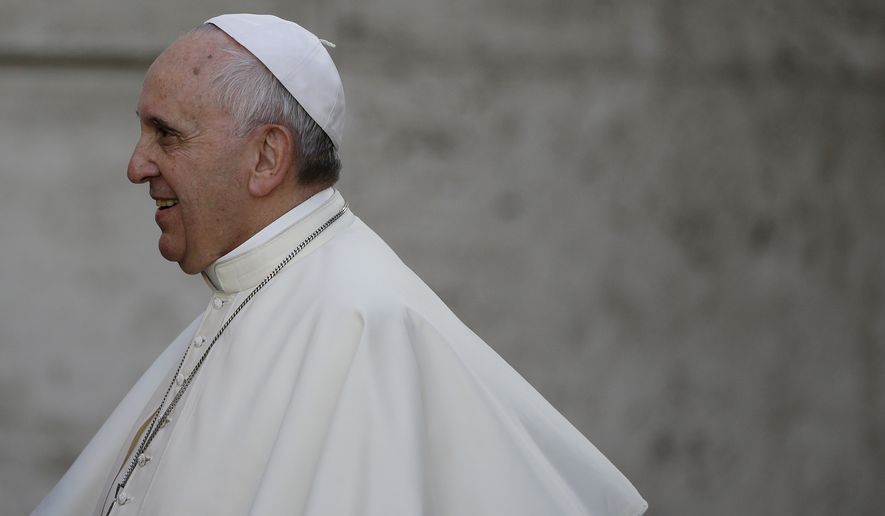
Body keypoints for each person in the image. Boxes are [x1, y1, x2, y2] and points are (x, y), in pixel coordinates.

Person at [33, 13, 647, 516]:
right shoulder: (256, 294)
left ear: (267, 157)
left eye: (166, 135)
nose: (136, 165)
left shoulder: (363, 322)